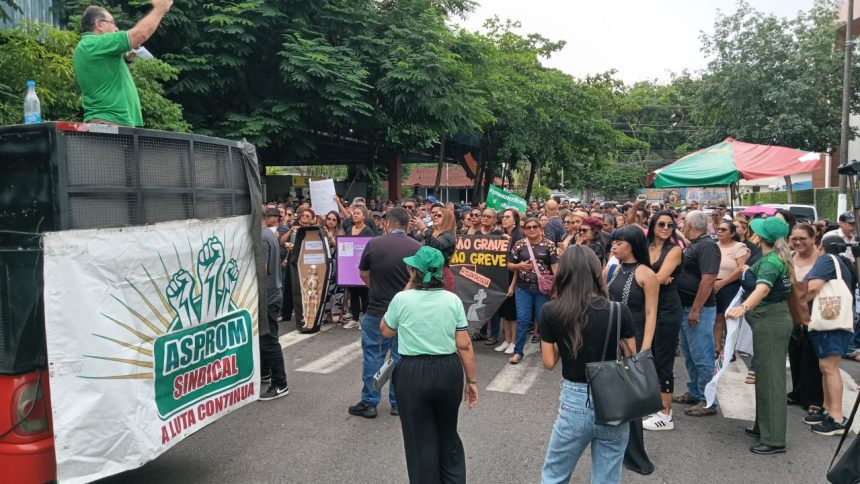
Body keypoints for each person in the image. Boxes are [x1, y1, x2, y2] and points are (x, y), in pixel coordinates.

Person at [380, 246, 479, 483]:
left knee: (419, 438)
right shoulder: (452, 300)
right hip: (448, 370)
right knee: (448, 433)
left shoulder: (402, 299)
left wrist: (408, 286)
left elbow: (386, 331)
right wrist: (472, 381)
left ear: (413, 271)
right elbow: (464, 344)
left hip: (412, 372)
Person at [539, 245, 636, 484]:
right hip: (614, 400)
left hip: (575, 399)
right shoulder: (617, 309)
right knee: (607, 476)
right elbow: (632, 354)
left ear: (563, 272)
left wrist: (566, 339)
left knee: (555, 474)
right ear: (595, 271)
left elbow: (549, 362)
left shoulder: (552, 311)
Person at [726, 217, 793, 454]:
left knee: (772, 380)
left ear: (761, 238)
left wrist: (742, 308)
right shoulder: (772, 258)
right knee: (764, 376)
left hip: (771, 322)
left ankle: (774, 439)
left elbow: (762, 289)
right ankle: (763, 427)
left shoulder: (770, 262)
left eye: (757, 232)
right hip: (769, 322)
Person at [348, 208, 421, 419]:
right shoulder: (417, 247)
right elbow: (419, 279)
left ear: (387, 224)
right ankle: (398, 402)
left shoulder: (374, 244)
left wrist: (374, 286)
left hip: (378, 310)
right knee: (401, 357)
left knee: (373, 355)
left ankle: (369, 402)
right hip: (406, 313)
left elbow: (363, 273)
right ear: (408, 225)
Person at [604, 226, 658, 475]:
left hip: (632, 342)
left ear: (633, 245)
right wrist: (611, 261)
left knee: (632, 398)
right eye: (613, 242)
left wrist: (644, 349)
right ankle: (614, 443)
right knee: (613, 394)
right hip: (611, 338)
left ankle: (635, 454)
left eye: (619, 243)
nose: (614, 246)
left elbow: (650, 313)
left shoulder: (646, 274)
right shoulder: (615, 268)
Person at [73, 1, 173, 126]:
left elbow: (109, 78)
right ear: (99, 24)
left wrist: (128, 60)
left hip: (111, 121)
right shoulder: (95, 43)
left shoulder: (87, 47)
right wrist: (160, 9)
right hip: (111, 122)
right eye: (112, 22)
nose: (116, 28)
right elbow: (139, 34)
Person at [800, 233, 857, 436]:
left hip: (830, 323)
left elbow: (814, 287)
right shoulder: (844, 262)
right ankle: (827, 410)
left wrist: (798, 305)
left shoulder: (825, 260)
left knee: (829, 367)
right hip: (837, 322)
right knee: (826, 367)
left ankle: (836, 417)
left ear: (821, 246)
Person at [673, 210, 720, 415]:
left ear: (690, 225)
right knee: (690, 355)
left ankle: (707, 400)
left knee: (702, 355)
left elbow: (708, 279)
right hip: (686, 308)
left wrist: (695, 309)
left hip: (697, 309)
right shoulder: (697, 244)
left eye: (683, 222)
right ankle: (694, 392)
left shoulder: (708, 246)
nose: (681, 225)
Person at [642, 211, 684, 432]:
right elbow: (641, 274)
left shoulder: (675, 249)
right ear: (653, 225)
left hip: (667, 308)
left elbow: (656, 278)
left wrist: (653, 279)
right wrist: (654, 280)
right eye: (661, 224)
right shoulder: (647, 248)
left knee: (664, 359)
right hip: (649, 307)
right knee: (652, 356)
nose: (666, 228)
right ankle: (658, 404)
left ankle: (666, 414)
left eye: (670, 224)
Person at [507, 217, 558, 364]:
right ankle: (518, 353)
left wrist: (559, 288)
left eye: (534, 226)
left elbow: (555, 268)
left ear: (540, 228)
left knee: (543, 321)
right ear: (524, 229)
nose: (531, 229)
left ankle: (546, 351)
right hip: (523, 288)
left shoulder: (549, 245)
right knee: (523, 320)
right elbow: (509, 264)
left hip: (543, 290)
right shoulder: (519, 245)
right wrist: (519, 266)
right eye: (528, 227)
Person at [787, 223, 825, 410]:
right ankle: (798, 392)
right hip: (793, 310)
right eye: (794, 239)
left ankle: (813, 399)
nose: (798, 242)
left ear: (813, 239)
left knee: (812, 356)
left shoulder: (821, 260)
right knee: (795, 352)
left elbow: (816, 287)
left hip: (814, 311)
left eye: (802, 238)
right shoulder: (791, 257)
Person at [259, 209, 289, 400]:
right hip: (273, 292)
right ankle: (266, 372)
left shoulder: (261, 238)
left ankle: (280, 383)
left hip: (268, 295)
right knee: (264, 337)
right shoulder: (269, 234)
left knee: (269, 340)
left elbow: (262, 269)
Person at [713, 221, 750, 355]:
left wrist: (723, 282)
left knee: (729, 317)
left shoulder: (739, 247)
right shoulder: (714, 245)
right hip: (713, 284)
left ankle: (730, 350)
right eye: (718, 229)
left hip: (731, 286)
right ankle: (717, 347)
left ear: (732, 233)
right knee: (717, 317)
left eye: (723, 229)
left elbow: (741, 269)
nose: (720, 232)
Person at [414, 206, 457, 291]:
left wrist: (423, 228)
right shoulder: (431, 232)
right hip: (426, 274)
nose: (435, 216)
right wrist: (409, 229)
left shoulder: (449, 235)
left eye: (439, 215)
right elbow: (414, 244)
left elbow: (436, 247)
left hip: (442, 276)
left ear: (447, 219)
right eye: (434, 215)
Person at [323, 210, 346, 324]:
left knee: (339, 291)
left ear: (337, 222)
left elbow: (341, 247)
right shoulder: (321, 231)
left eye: (334, 220)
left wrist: (330, 237)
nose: (331, 222)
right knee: (327, 290)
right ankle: (328, 314)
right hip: (325, 265)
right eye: (329, 219)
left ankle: (340, 315)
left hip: (338, 264)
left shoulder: (340, 231)